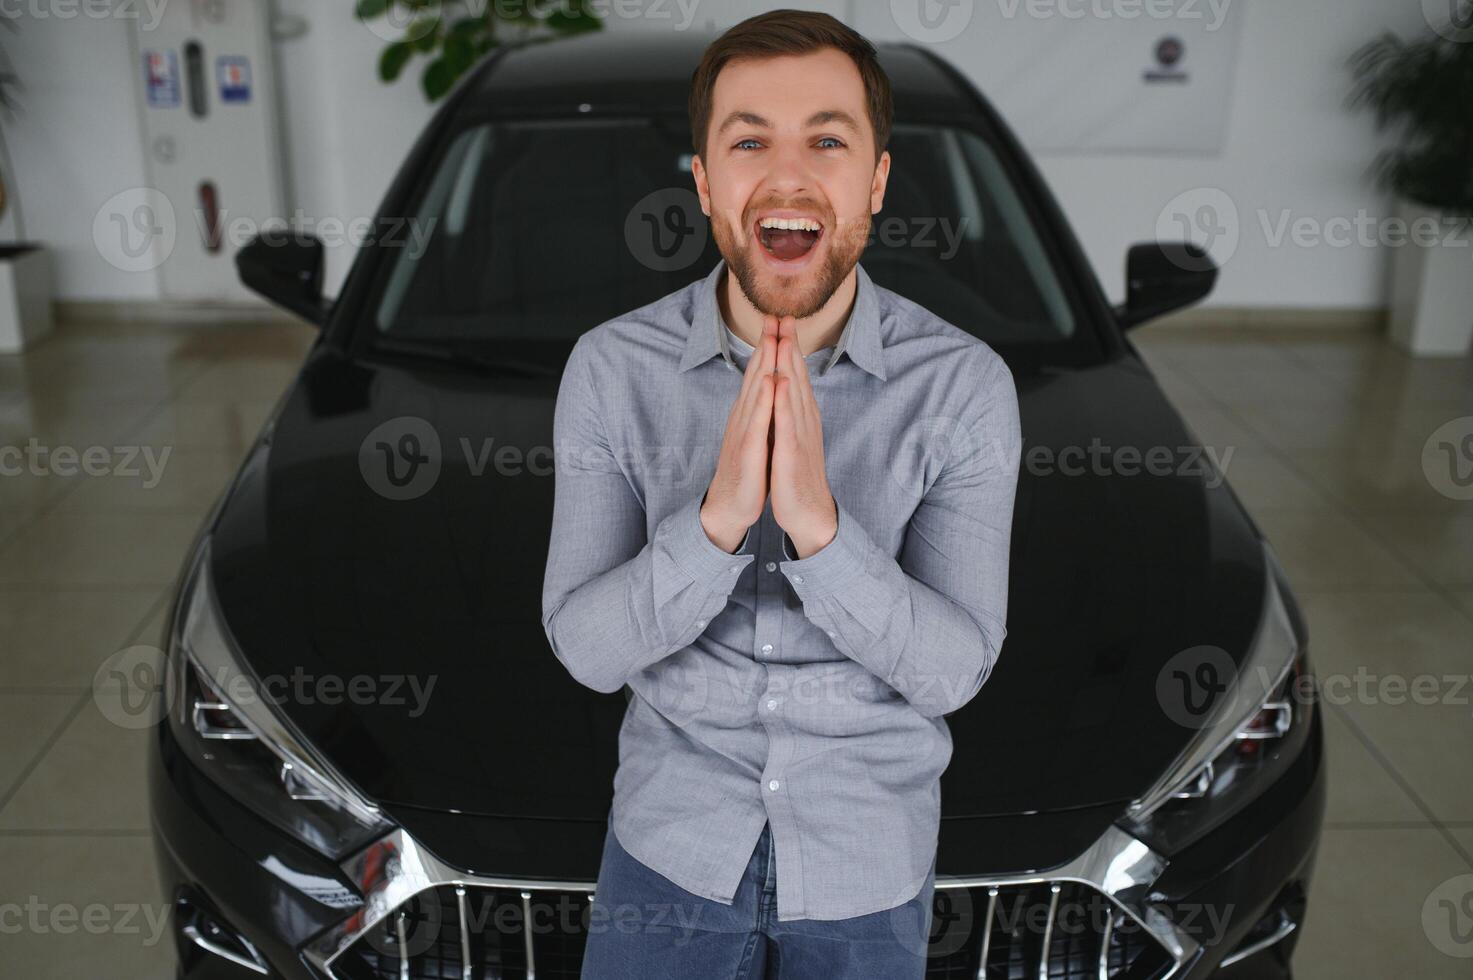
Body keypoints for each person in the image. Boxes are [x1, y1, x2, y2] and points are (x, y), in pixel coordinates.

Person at [540, 9, 1023, 978]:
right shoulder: (611, 369)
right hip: (669, 849)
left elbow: (954, 669)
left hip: (866, 862)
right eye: (750, 139)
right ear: (707, 181)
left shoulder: (963, 385)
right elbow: (586, 649)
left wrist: (821, 530)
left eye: (829, 141)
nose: (790, 174)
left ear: (876, 181)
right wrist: (714, 525)